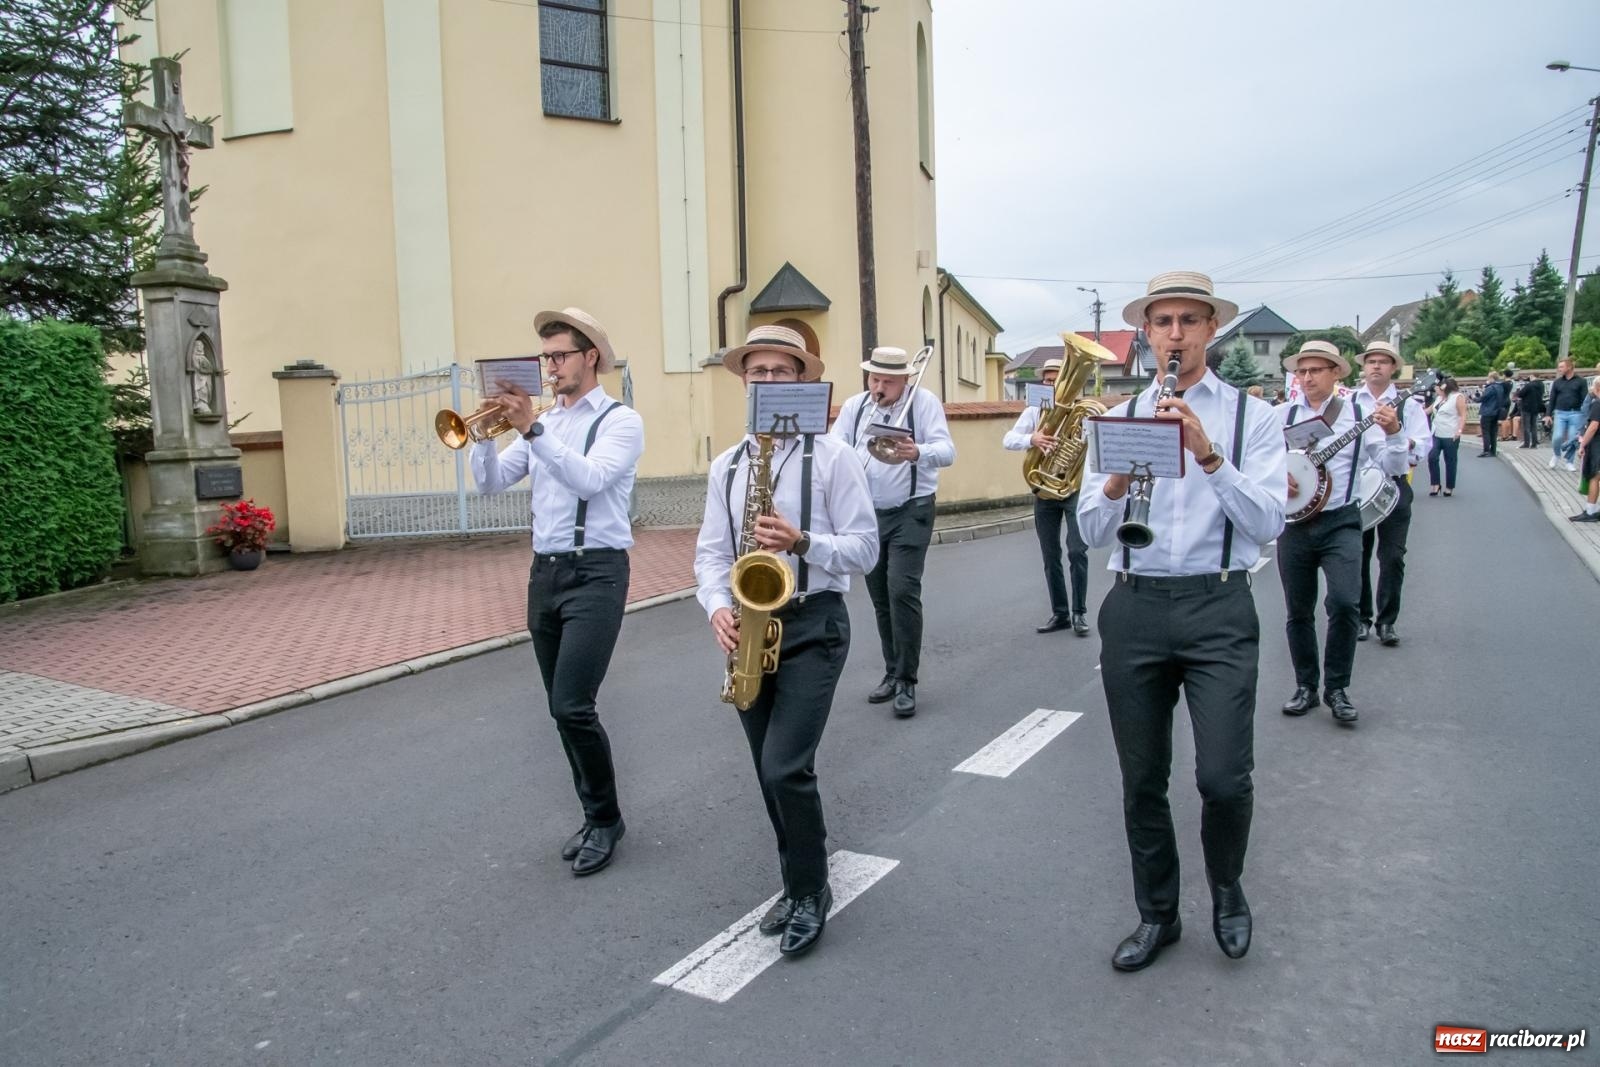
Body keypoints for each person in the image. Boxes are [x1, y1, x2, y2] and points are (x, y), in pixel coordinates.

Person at [1077, 271, 1287, 972]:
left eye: (1188, 321)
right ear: (1147, 332)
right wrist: (1113, 476)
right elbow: (1090, 529)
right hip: (1136, 604)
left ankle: (1226, 890)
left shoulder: (1251, 418)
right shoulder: (1122, 412)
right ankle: (1157, 913)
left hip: (1218, 603)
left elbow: (1268, 520)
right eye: (1162, 321)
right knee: (1142, 779)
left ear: (1209, 331)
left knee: (1224, 777)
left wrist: (1206, 453)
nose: (1174, 334)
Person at [695, 324, 878, 957]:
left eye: (781, 371)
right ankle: (795, 880)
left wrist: (802, 543)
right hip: (748, 625)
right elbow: (710, 555)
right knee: (765, 770)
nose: (768, 382)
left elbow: (866, 549)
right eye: (758, 372)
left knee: (784, 765)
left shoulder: (833, 456)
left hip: (813, 620)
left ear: (802, 381)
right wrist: (717, 606)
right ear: (744, 382)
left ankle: (811, 890)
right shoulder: (728, 465)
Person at [471, 308, 645, 876]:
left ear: (590, 356)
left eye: (559, 355)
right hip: (544, 574)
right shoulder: (544, 422)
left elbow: (591, 479)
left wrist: (531, 429)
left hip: (598, 573)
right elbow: (492, 483)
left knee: (573, 704)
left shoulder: (621, 420)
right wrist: (478, 436)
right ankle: (595, 812)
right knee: (558, 708)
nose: (550, 366)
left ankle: (606, 818)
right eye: (544, 357)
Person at [1278, 340, 1408, 724]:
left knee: (1346, 603)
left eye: (1315, 370)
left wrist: (1396, 433)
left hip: (1341, 522)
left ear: (1336, 374)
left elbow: (1391, 464)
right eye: (1302, 371)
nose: (1306, 378)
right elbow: (1262, 460)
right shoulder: (1282, 414)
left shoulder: (1358, 414)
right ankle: (1306, 686)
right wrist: (1275, 478)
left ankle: (1337, 688)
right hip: (1295, 525)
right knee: (1297, 610)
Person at [831, 346, 956, 718]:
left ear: (905, 379)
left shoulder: (924, 403)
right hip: (867, 514)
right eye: (874, 378)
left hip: (911, 510)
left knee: (902, 590)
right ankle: (891, 670)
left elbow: (948, 451)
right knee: (880, 597)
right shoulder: (856, 407)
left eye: (887, 380)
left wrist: (917, 452)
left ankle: (907, 680)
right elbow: (834, 449)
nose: (879, 387)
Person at [1003, 358, 1091, 636]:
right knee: (1050, 555)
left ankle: (1079, 613)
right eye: (1048, 380)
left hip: (1074, 489)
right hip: (1044, 489)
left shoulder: (1085, 411)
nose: (1052, 384)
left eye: (1057, 379)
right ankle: (1061, 613)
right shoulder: (1034, 410)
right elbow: (1008, 439)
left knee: (1077, 550)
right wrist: (1033, 439)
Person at [1354, 341, 1430, 646]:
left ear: (1393, 367)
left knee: (1393, 557)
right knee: (1356, 556)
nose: (1376, 366)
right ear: (1364, 366)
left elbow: (1423, 445)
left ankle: (1387, 621)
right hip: (1358, 485)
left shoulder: (1408, 404)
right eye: (1371, 361)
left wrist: (1402, 437)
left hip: (1394, 484)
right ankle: (1361, 618)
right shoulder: (1350, 403)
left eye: (1383, 362)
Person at [1427, 377, 1467, 497]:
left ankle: (1449, 487)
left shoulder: (1457, 397)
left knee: (1450, 461)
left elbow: (1462, 415)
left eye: (1438, 388)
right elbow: (1428, 411)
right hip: (1436, 433)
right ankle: (1435, 484)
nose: (1436, 390)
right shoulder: (1438, 399)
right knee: (1432, 457)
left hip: (1450, 434)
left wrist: (1459, 430)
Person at [1547, 358, 1587, 472]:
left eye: (1561, 367)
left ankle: (1569, 462)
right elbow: (1552, 399)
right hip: (1560, 413)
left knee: (1572, 439)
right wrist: (1548, 414)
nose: (1559, 369)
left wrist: (1585, 415)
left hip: (1576, 413)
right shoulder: (1557, 382)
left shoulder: (1581, 381)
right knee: (1557, 437)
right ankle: (1556, 454)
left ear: (1569, 367)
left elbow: (1585, 399)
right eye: (1559, 367)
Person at [1569, 378, 1600, 522]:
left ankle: (1590, 511)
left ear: (1596, 388)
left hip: (1597, 445)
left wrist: (1582, 445)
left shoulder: (1597, 404)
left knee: (1594, 477)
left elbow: (1593, 427)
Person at [1476, 370, 1507, 457]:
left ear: (1492, 378)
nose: (1488, 379)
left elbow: (1483, 398)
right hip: (1496, 412)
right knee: (1493, 432)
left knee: (1486, 432)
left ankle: (1486, 450)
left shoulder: (1490, 388)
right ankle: (1493, 450)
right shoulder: (1500, 387)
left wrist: (1475, 398)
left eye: (1488, 378)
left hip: (1487, 412)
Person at [1518, 374, 1545, 448]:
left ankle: (1526, 443)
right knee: (1534, 426)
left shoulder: (1529, 385)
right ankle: (1534, 443)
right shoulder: (1541, 385)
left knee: (1526, 426)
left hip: (1527, 407)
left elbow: (1520, 394)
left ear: (1532, 376)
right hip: (1536, 407)